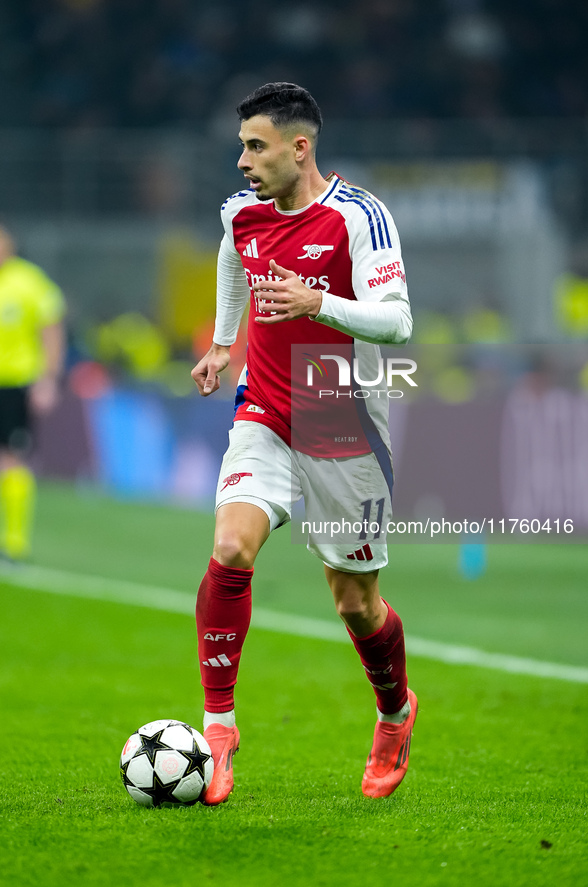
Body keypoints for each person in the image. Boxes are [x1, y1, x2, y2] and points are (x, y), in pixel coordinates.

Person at [191, 82, 417, 805]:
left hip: (341, 422)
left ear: (300, 146)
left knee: (355, 602)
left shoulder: (360, 216)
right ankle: (218, 728)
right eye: (241, 146)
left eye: (255, 146)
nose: (242, 160)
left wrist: (318, 301)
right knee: (230, 547)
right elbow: (233, 256)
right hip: (264, 407)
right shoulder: (243, 214)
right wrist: (224, 343)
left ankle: (393, 710)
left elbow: (397, 322)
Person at [0, 226, 66, 561]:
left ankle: (14, 543)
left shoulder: (28, 282)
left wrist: (48, 379)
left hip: (14, 384)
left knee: (13, 459)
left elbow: (51, 329)